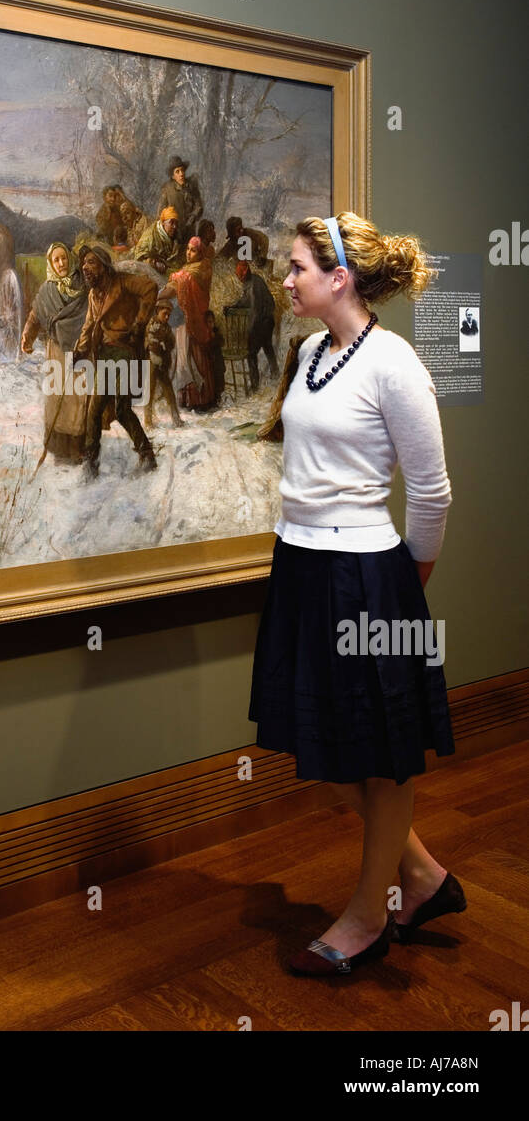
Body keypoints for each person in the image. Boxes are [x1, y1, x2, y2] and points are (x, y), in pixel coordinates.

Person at [248, 211, 462, 977]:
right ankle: (425, 876)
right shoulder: (310, 352)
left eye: (298, 267)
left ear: (340, 278)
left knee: (383, 756)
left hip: (369, 575)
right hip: (302, 566)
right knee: (330, 742)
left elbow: (432, 494)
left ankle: (371, 916)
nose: (287, 279)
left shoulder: (394, 363)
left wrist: (408, 582)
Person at [74, 244, 158, 478]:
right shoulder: (93, 294)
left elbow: (151, 287)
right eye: (84, 264)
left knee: (122, 409)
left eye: (91, 262)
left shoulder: (123, 282)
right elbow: (89, 324)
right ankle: (90, 463)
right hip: (105, 354)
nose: (86, 267)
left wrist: (140, 323)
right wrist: (79, 350)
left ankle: (147, 455)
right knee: (94, 408)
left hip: (127, 351)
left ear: (103, 265)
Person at [20, 241, 89, 463]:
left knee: (78, 398)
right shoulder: (47, 291)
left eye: (64, 258)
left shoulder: (83, 284)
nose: (61, 263)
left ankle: (79, 448)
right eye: (56, 259)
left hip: (80, 350)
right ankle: (59, 448)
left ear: (70, 259)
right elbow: (35, 314)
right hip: (57, 350)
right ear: (51, 262)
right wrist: (27, 336)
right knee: (58, 396)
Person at [160, 236, 218, 411]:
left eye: (193, 250)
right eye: (187, 249)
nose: (188, 253)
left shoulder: (200, 269)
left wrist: (156, 296)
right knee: (182, 357)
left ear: (200, 253)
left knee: (190, 359)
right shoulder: (188, 269)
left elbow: (177, 285)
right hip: (189, 318)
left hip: (196, 320)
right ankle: (186, 399)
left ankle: (199, 400)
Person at [229, 258, 278, 391]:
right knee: (267, 347)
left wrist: (250, 331)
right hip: (267, 321)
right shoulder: (253, 280)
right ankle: (275, 374)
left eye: (239, 274)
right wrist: (234, 306)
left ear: (244, 273)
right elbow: (246, 300)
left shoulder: (253, 284)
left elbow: (255, 309)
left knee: (251, 353)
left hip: (261, 322)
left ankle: (255, 385)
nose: (238, 277)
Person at [143, 297, 182, 429]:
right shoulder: (152, 325)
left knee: (169, 391)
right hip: (152, 362)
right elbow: (152, 343)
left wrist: (164, 346)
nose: (167, 317)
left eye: (169, 315)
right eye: (164, 314)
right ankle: (148, 420)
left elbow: (171, 343)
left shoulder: (167, 328)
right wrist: (161, 345)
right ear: (158, 311)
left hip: (163, 363)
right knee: (150, 390)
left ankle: (176, 418)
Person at [158, 157, 203, 244]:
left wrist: (192, 218)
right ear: (173, 176)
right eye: (177, 171)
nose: (181, 174)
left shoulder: (192, 187)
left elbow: (199, 206)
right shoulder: (167, 189)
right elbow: (161, 212)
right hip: (174, 232)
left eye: (182, 170)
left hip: (190, 231)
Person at [131, 207, 184, 274]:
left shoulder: (176, 236)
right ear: (163, 223)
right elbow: (139, 258)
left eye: (176, 223)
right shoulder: (150, 236)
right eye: (171, 222)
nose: (174, 226)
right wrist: (154, 263)